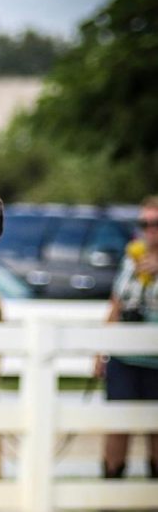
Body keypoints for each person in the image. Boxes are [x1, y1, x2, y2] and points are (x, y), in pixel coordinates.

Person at [95, 196, 158, 478]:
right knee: (116, 426)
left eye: (155, 224)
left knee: (155, 431)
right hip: (123, 357)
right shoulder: (131, 257)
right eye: (143, 224)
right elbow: (116, 304)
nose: (149, 230)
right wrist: (100, 351)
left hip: (154, 360)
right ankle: (111, 486)